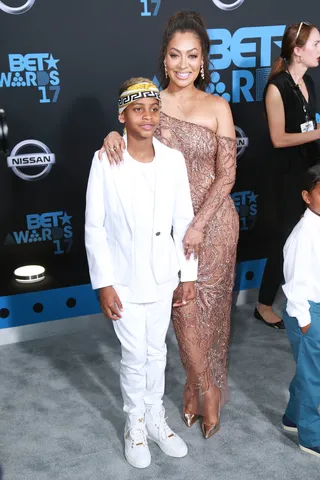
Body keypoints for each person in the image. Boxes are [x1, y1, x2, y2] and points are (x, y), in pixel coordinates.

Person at [101, 11, 239, 438]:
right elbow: (132, 133)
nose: (183, 64)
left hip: (214, 227)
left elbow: (227, 174)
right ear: (164, 59)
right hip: (167, 231)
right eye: (175, 55)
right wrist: (111, 136)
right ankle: (198, 387)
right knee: (182, 316)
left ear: (203, 61)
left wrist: (198, 225)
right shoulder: (151, 105)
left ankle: (208, 392)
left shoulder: (217, 106)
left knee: (212, 317)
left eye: (192, 56)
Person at [85, 78, 198, 468]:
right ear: (122, 116)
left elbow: (184, 220)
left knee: (157, 351)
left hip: (163, 274)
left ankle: (155, 420)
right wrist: (103, 283)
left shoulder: (173, 160)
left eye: (153, 108)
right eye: (138, 109)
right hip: (124, 279)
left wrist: (188, 274)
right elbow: (94, 226)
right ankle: (133, 423)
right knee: (134, 356)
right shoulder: (105, 160)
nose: (147, 116)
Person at [255, 22, 320, 329]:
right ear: (298, 51)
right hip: (283, 177)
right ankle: (264, 304)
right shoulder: (276, 88)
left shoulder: (309, 82)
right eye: (316, 44)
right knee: (285, 240)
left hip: (308, 170)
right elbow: (279, 139)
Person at [282, 164, 320, 457]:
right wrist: (306, 324)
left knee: (310, 371)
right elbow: (294, 284)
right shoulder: (302, 234)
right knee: (313, 378)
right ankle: (311, 436)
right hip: (307, 312)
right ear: (307, 196)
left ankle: (293, 418)